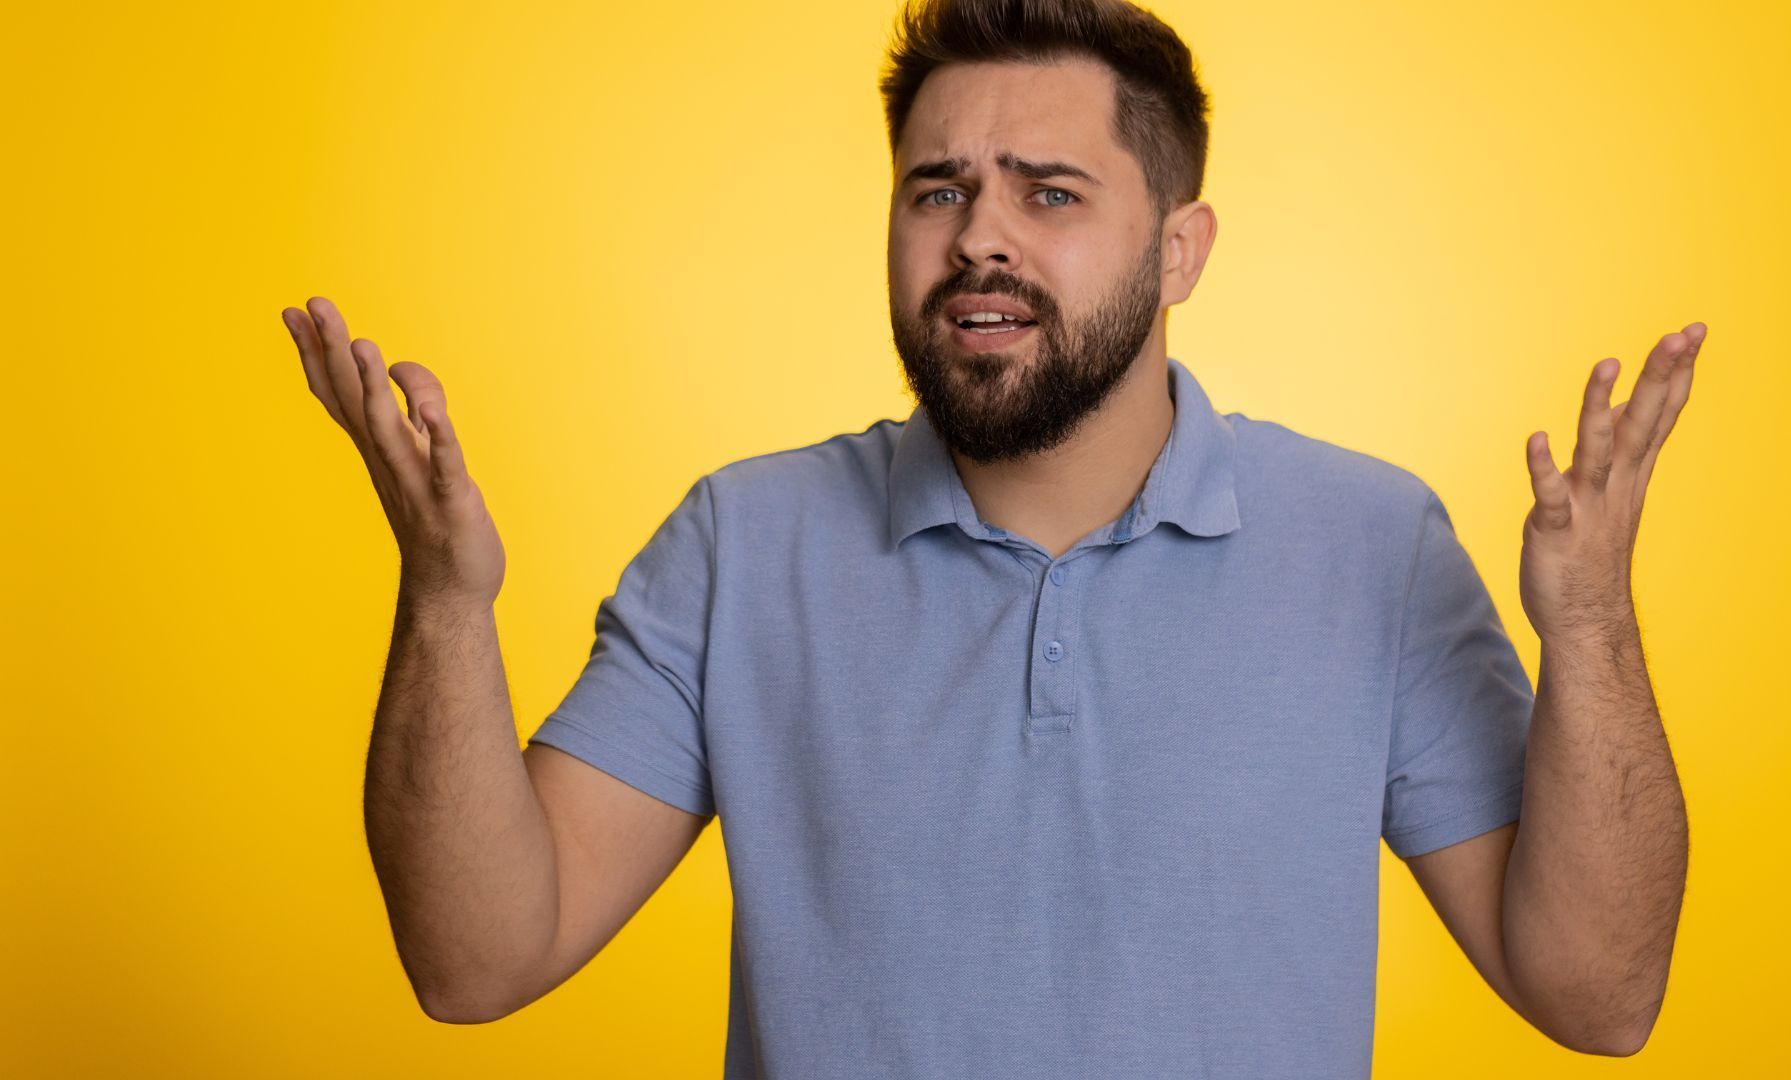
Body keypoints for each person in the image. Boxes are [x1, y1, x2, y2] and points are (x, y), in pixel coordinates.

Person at [281, 0, 1699, 1074]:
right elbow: (475, 960)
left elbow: (1598, 995)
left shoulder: (1372, 546)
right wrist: (443, 604)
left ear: (1183, 250)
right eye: (937, 188)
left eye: (1051, 192)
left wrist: (1589, 627)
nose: (979, 239)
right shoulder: (742, 544)